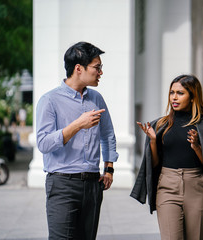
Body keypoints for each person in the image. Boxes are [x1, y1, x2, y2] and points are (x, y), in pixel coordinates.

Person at [130, 75, 203, 240]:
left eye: (180, 93)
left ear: (193, 97)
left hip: (196, 187)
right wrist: (153, 141)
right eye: (172, 92)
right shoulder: (159, 125)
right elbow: (155, 163)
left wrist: (197, 147)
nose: (174, 97)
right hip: (167, 187)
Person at [36, 41, 119, 240]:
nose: (100, 73)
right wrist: (77, 125)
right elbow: (44, 144)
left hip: (92, 184)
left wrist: (109, 169)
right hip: (62, 183)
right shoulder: (50, 101)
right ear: (78, 68)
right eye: (97, 68)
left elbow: (108, 134)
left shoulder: (96, 98)